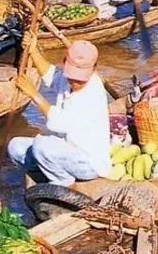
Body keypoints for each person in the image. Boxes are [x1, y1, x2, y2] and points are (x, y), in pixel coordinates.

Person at [8, 37, 112, 186]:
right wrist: (33, 50)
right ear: (65, 64)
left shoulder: (92, 92)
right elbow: (51, 75)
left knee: (41, 146)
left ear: (93, 69)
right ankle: (48, 175)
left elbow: (59, 123)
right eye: (72, 78)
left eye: (80, 80)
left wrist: (34, 95)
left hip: (86, 162)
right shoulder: (66, 77)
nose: (75, 83)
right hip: (62, 150)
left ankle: (65, 183)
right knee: (15, 146)